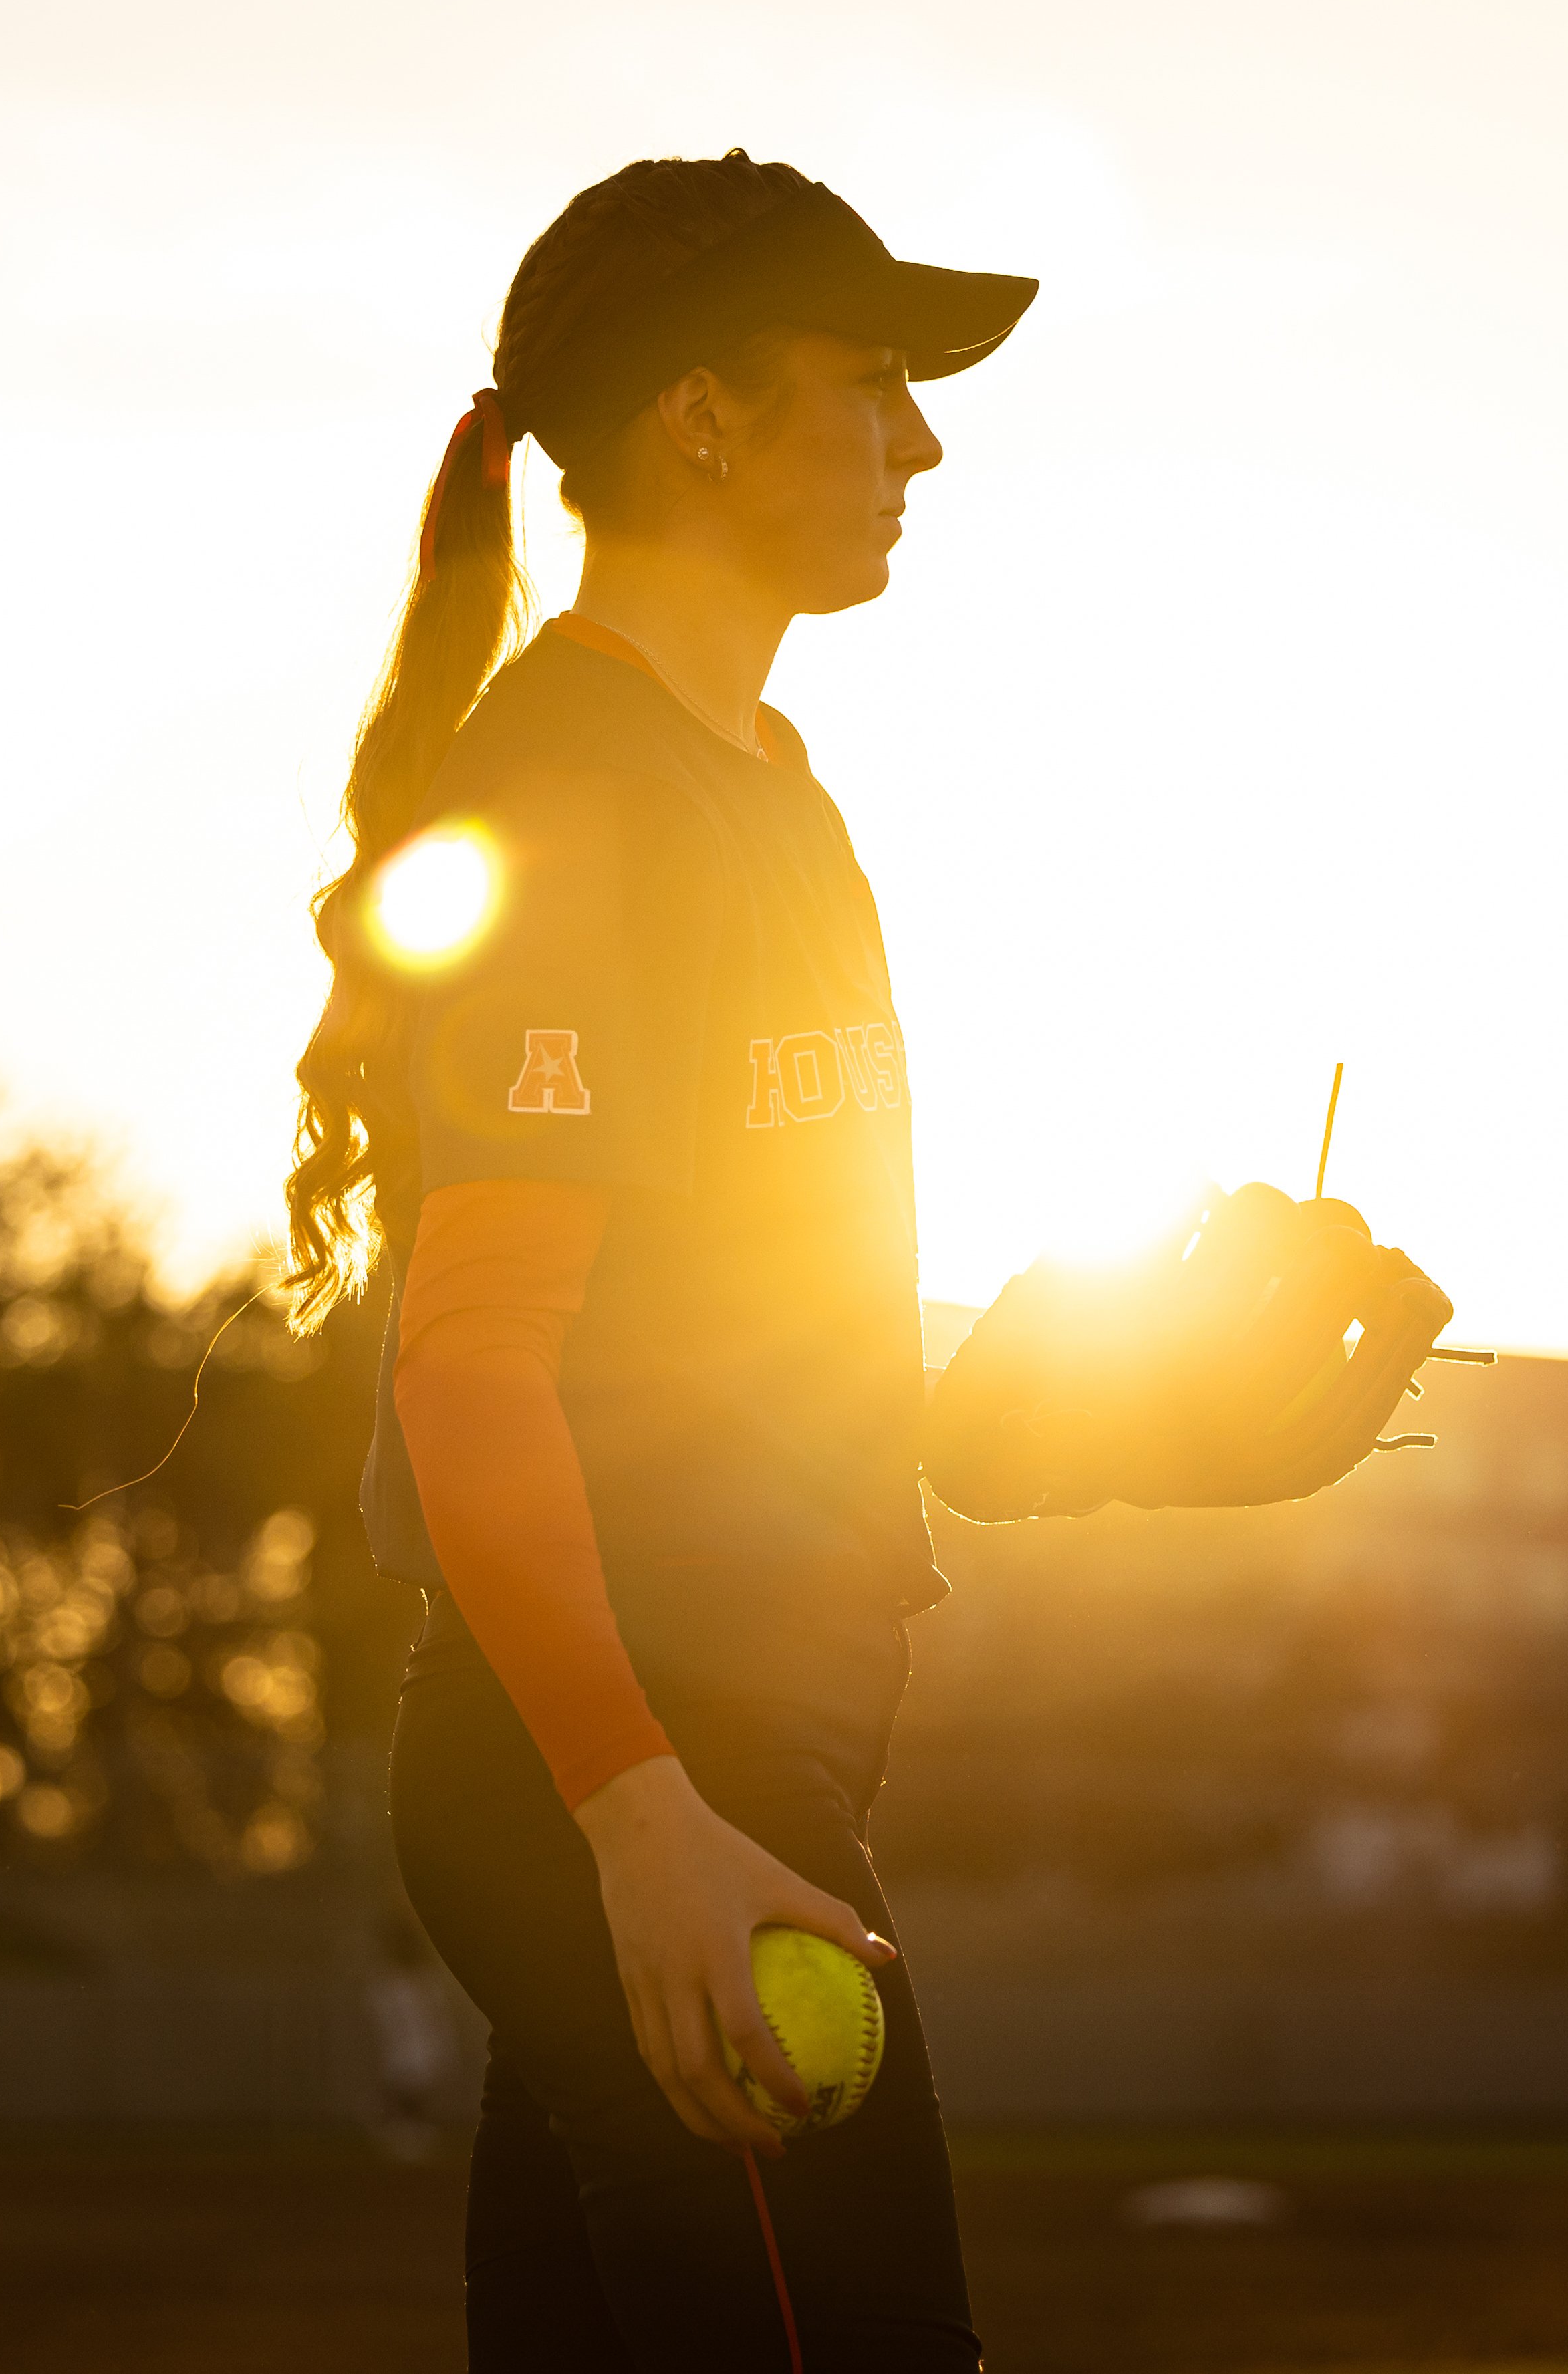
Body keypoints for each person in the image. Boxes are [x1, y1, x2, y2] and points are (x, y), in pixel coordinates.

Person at [287, 149, 1037, 2371]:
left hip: (724, 1745)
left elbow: (798, 1371)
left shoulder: (776, 788)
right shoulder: (582, 791)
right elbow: (476, 1365)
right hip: (630, 1753)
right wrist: (639, 1812)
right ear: (700, 417)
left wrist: (1168, 1411)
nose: (919, 441)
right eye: (871, 380)